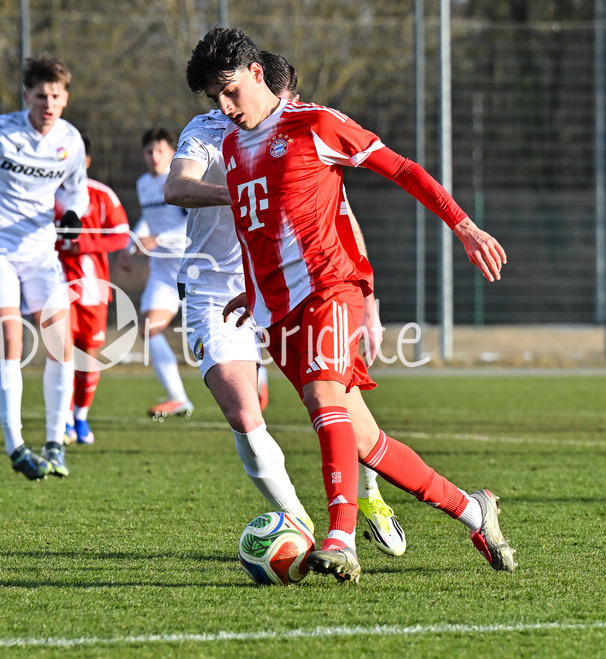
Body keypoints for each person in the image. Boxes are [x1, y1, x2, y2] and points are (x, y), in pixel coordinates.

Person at [185, 26, 514, 583]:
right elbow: (253, 227)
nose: (224, 107)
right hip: (278, 309)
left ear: (257, 73)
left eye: (230, 91)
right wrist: (255, 289)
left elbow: (403, 170)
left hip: (333, 288)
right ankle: (473, 509)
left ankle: (339, 535)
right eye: (213, 98)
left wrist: (465, 225)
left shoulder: (316, 123)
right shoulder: (235, 148)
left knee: (321, 398)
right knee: (363, 439)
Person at [164, 51, 405, 556]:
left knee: (338, 405)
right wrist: (243, 190)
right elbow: (176, 186)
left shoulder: (300, 132)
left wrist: (373, 307)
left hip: (299, 287)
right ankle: (303, 528)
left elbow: (343, 220)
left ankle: (370, 496)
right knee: (242, 411)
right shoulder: (209, 130)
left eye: (290, 101)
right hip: (217, 288)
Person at [0, 54, 87, 481]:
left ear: (65, 99)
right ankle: (16, 446)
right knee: (9, 338)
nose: (48, 103)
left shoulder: (71, 140)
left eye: (56, 96)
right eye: (40, 95)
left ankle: (55, 444)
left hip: (42, 254)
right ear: (27, 96)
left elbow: (76, 190)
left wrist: (74, 216)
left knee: (61, 343)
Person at [54, 130, 130, 445]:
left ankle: (80, 418)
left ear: (85, 160)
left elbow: (122, 236)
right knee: (61, 354)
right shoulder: (44, 195)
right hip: (55, 287)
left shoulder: (102, 195)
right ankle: (61, 422)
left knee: (88, 356)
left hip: (93, 290)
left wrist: (84, 243)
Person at [119, 126, 194, 420]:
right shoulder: (143, 184)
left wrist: (158, 240)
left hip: (194, 268)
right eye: (149, 151)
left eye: (160, 150)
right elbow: (149, 221)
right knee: (149, 329)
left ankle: (258, 375)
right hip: (163, 272)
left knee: (214, 338)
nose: (154, 156)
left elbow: (194, 226)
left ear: (172, 153)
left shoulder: (181, 180)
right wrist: (131, 245)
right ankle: (178, 398)